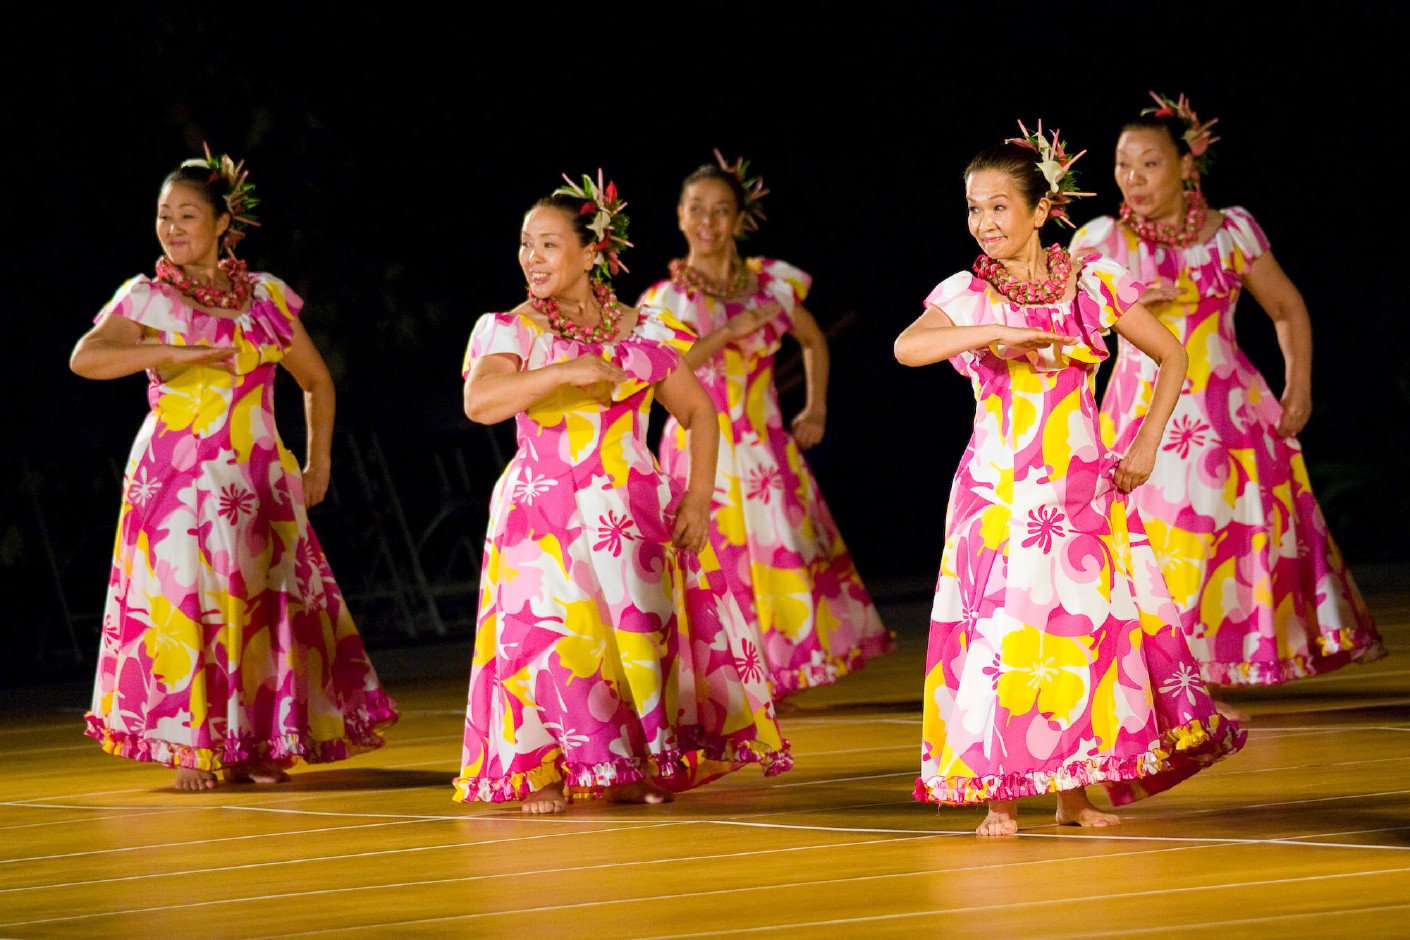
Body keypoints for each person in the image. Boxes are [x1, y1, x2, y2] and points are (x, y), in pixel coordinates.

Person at [895, 121, 1245, 836]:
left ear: (1039, 209)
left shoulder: (1092, 282)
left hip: (1084, 488)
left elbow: (1172, 357)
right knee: (1006, 639)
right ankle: (999, 795)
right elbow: (910, 346)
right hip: (999, 492)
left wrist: (1145, 445)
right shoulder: (970, 292)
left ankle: (1074, 794)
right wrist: (995, 334)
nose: (984, 222)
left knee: (1083, 637)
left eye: (998, 206)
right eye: (973, 208)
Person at [452, 170, 791, 815]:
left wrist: (694, 500)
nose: (532, 258)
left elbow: (699, 413)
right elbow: (481, 401)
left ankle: (627, 756)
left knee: (634, 632)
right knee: (553, 637)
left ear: (592, 252)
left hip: (630, 505)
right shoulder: (509, 328)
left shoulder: (644, 327)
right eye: (526, 244)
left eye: (549, 245)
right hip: (543, 505)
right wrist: (566, 370)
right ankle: (543, 767)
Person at [70, 145, 398, 791]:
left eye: (187, 215)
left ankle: (256, 742)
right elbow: (86, 357)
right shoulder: (146, 297)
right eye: (164, 215)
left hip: (257, 474)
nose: (171, 228)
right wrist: (183, 353)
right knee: (191, 603)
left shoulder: (265, 296)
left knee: (259, 603)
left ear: (222, 224)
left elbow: (316, 381)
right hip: (179, 476)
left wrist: (317, 460)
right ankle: (193, 745)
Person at [1069, 92, 1385, 698]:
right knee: (1153, 539)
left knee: (1221, 536)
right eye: (1122, 165)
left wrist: (1299, 386)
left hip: (1226, 410)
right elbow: (1064, 322)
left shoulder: (1230, 231)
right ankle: (1165, 672)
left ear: (1187, 167)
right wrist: (1126, 310)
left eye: (1149, 164)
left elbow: (1287, 308)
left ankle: (1220, 665)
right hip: (1140, 414)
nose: (1132, 179)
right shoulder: (1101, 242)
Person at [636, 151, 894, 700]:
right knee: (716, 558)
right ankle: (727, 672)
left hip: (761, 445)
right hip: (696, 449)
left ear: (738, 219)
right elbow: (660, 375)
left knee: (779, 555)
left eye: (721, 210)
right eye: (697, 209)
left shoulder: (765, 286)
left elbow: (812, 338)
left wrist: (816, 407)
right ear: (680, 216)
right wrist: (727, 335)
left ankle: (779, 669)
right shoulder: (663, 300)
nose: (707, 221)